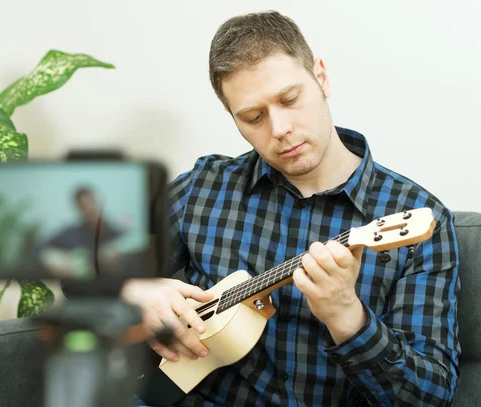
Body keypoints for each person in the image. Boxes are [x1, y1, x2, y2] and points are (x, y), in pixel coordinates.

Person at [122, 10, 460, 407]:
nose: (279, 128)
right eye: (253, 116)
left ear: (321, 77)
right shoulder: (204, 185)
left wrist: (347, 317)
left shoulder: (417, 215)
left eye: (289, 99)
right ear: (232, 117)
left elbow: (429, 397)